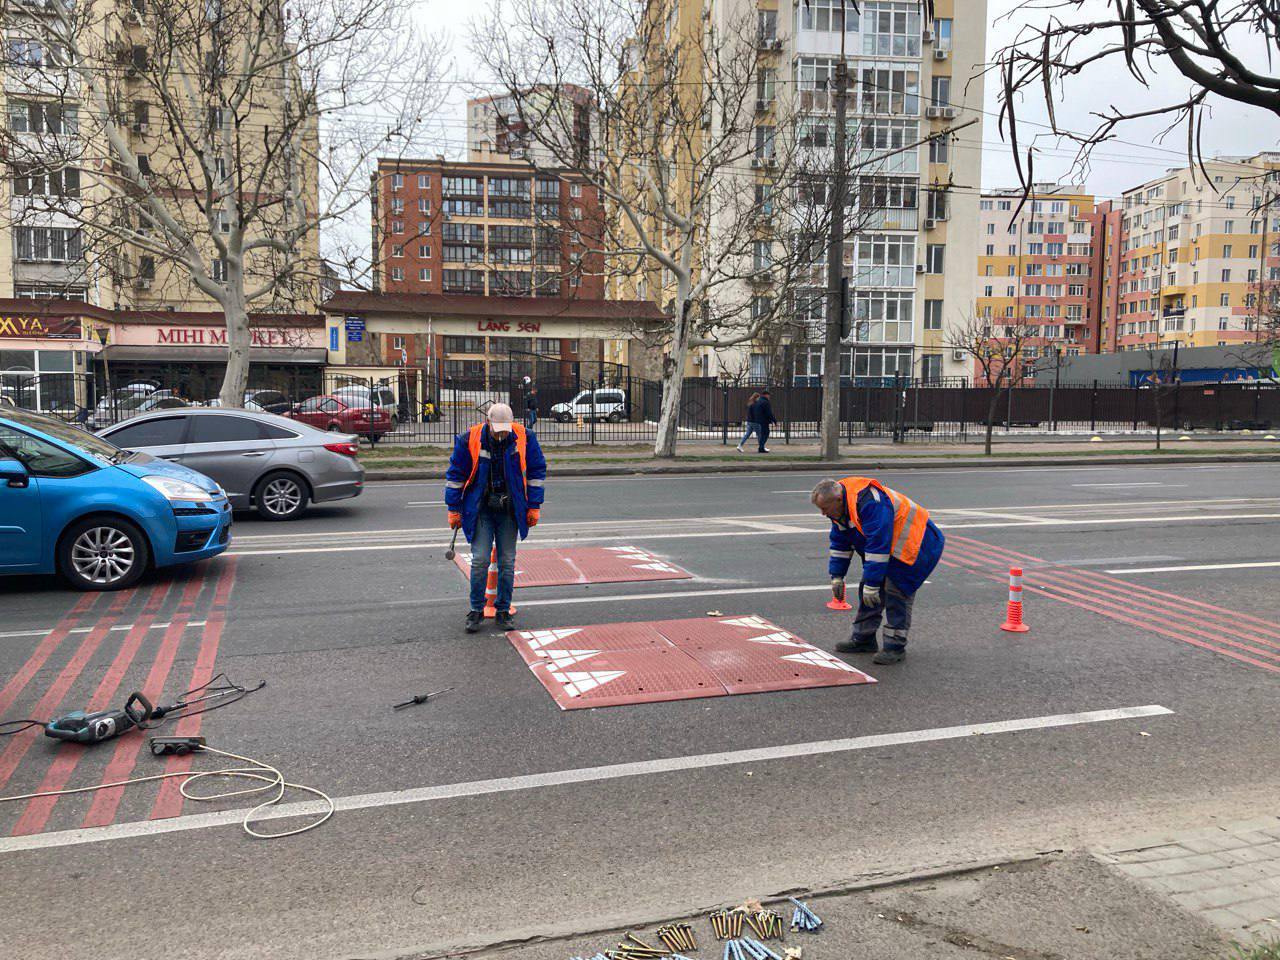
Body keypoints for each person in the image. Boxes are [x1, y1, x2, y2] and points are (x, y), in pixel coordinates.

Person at [810, 476, 945, 664]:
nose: (823, 514)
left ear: (838, 500)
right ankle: (863, 638)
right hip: (891, 546)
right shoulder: (841, 507)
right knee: (868, 590)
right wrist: (837, 576)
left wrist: (873, 584)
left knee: (896, 592)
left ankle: (895, 647)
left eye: (825, 508)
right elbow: (841, 542)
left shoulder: (871, 503)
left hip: (916, 545)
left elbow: (877, 545)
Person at [445, 402, 547, 633]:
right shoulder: (468, 439)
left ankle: (502, 610)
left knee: (507, 561)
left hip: (509, 509)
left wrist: (534, 506)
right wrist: (454, 508)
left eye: (505, 429)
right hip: (482, 509)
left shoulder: (524, 437)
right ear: (488, 422)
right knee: (480, 560)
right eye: (497, 428)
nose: (501, 434)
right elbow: (455, 475)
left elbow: (536, 471)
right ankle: (476, 610)